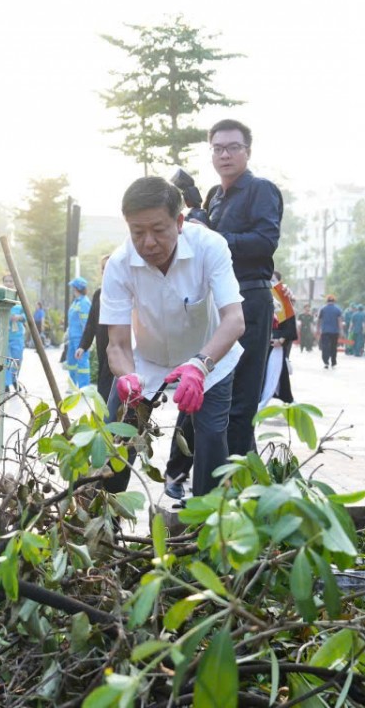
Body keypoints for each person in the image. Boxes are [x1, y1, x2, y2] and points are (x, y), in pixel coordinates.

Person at [101, 176, 245, 499]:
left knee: (210, 443)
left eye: (158, 229)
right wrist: (127, 377)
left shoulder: (210, 247)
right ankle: (103, 519)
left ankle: (205, 528)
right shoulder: (120, 264)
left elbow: (234, 321)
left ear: (179, 222)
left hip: (210, 361)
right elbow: (118, 345)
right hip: (146, 364)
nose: (148, 242)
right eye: (138, 232)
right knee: (115, 445)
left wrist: (201, 365)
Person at [202, 118, 283, 459]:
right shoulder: (213, 197)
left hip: (250, 297)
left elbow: (265, 242)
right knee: (213, 388)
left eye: (233, 147)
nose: (225, 154)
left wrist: (215, 239)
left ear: (247, 152)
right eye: (218, 148)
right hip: (216, 301)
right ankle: (237, 475)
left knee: (241, 395)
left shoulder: (260, 189)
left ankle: (230, 487)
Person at [75, 255, 114, 404]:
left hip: (118, 347)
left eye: (109, 267)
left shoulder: (124, 291)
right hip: (102, 346)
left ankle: (108, 419)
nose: (105, 271)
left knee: (107, 384)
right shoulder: (99, 293)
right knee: (103, 384)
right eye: (103, 268)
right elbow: (91, 323)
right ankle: (104, 419)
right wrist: (83, 346)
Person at [258, 273, 296, 410]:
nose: (271, 282)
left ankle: (285, 399)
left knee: (276, 372)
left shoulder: (283, 298)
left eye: (273, 280)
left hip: (276, 343)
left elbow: (289, 324)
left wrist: (282, 339)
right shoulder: (260, 295)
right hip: (260, 343)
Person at [64, 276, 92, 390]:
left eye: (73, 287)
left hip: (80, 339)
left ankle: (84, 388)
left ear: (76, 288)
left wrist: (86, 342)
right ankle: (72, 385)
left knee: (82, 364)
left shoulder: (84, 303)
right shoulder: (76, 302)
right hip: (72, 337)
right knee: (71, 362)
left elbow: (86, 323)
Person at [3, 273, 25, 392]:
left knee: (17, 359)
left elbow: (26, 315)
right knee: (6, 360)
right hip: (5, 335)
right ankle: (6, 384)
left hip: (17, 336)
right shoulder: (2, 297)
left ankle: (14, 380)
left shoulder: (20, 299)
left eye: (11, 281)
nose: (8, 283)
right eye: (6, 281)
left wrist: (19, 317)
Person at [318, 295, 342, 369]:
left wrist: (318, 329)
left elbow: (319, 320)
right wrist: (341, 331)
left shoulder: (323, 309)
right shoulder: (338, 309)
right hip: (334, 332)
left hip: (325, 331)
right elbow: (339, 321)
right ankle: (333, 363)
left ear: (327, 301)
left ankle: (326, 362)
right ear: (334, 301)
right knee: (333, 347)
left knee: (325, 347)